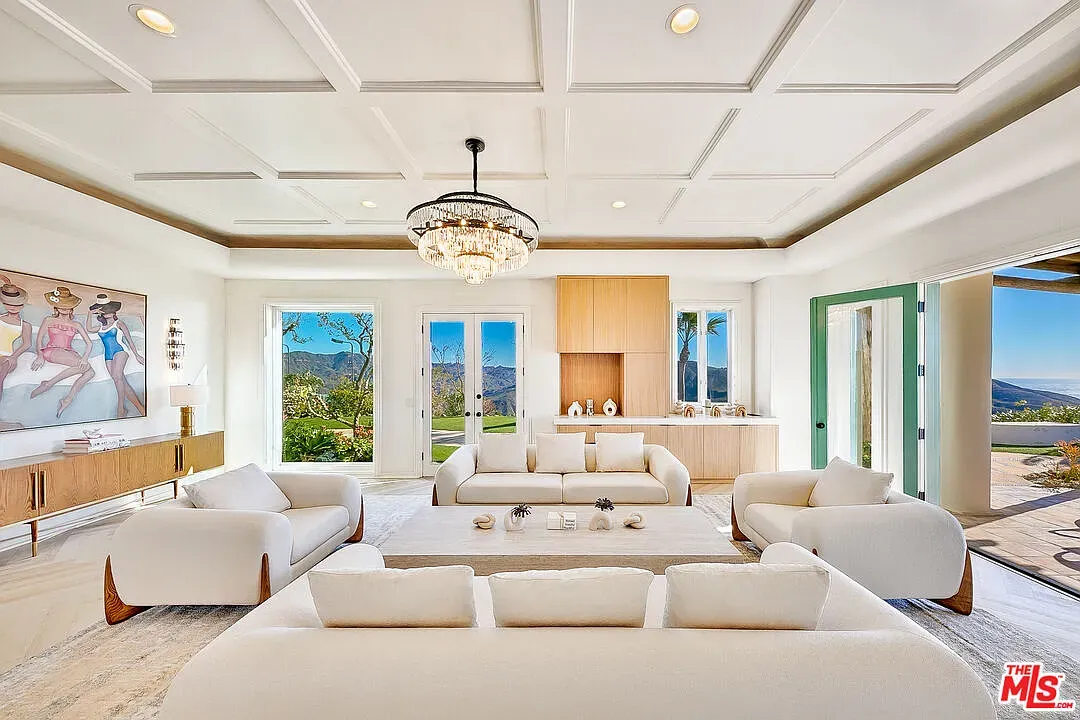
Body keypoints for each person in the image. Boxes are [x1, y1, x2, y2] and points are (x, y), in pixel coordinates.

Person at [30, 286, 95, 418]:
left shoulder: (76, 325)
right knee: (86, 368)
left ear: (72, 308)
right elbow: (39, 338)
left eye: (67, 306)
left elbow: (89, 343)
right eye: (61, 305)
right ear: (56, 307)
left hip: (69, 352)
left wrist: (84, 357)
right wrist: (40, 355)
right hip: (52, 350)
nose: (64, 308)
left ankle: (67, 399)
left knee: (90, 372)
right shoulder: (49, 320)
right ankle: (48, 384)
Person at [86, 293, 145, 418]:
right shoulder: (101, 327)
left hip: (120, 351)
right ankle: (141, 408)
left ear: (114, 312)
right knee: (120, 381)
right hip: (108, 356)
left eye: (108, 310)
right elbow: (89, 328)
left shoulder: (119, 324)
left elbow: (129, 340)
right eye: (103, 311)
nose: (106, 313)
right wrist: (90, 313)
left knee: (118, 378)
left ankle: (120, 407)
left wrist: (137, 355)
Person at [0, 275, 32, 426]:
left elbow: (26, 344)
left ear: (22, 305)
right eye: (8, 303)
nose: (12, 307)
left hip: (7, 356)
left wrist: (13, 357)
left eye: (17, 304)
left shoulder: (24, 325)